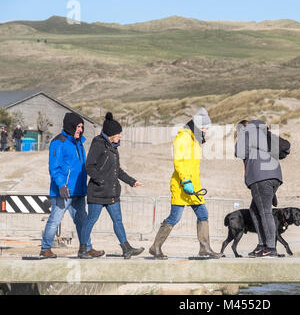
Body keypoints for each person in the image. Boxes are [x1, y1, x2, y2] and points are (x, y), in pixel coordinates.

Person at [149, 108, 221, 260]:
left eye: (207, 128)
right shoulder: (183, 137)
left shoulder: (195, 139)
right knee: (174, 217)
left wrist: (193, 183)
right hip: (182, 185)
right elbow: (179, 162)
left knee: (203, 214)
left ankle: (205, 248)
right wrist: (186, 181)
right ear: (196, 125)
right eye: (204, 128)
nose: (206, 131)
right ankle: (155, 247)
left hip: (193, 186)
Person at [79, 112, 144, 259]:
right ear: (111, 134)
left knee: (118, 221)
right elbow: (89, 166)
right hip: (98, 192)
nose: (120, 136)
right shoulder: (98, 144)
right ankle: (82, 249)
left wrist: (131, 181)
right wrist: (100, 180)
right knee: (91, 220)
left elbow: (117, 170)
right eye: (118, 134)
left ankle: (126, 248)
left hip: (112, 192)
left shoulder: (113, 147)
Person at [40, 113, 104, 259]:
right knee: (55, 220)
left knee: (83, 222)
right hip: (64, 192)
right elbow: (54, 167)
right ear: (70, 126)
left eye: (82, 127)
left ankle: (87, 248)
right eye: (78, 126)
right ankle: (45, 248)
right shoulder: (58, 142)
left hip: (79, 191)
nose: (80, 130)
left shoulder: (79, 143)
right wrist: (62, 185)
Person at [235, 120, 284, 258]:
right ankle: (262, 245)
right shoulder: (266, 133)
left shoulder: (246, 132)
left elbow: (238, 152)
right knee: (255, 210)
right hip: (276, 176)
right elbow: (285, 148)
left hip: (260, 177)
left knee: (265, 212)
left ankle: (270, 248)